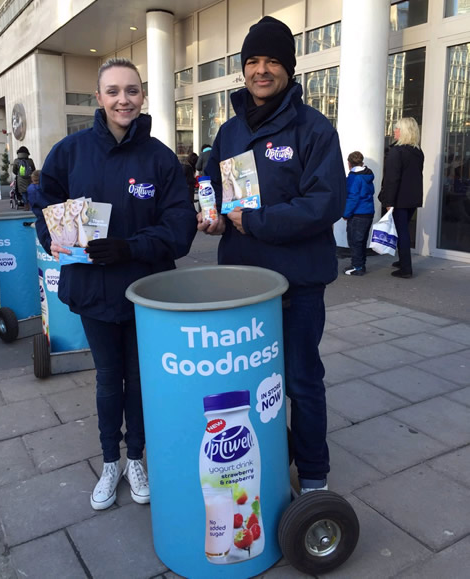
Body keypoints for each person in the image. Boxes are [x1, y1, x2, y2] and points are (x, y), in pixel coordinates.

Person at [32, 57, 197, 510]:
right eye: (113, 91)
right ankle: (110, 461)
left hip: (148, 292)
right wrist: (55, 238)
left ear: (142, 96)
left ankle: (137, 459)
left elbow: (180, 226)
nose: (123, 99)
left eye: (132, 90)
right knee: (108, 379)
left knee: (140, 380)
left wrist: (131, 246)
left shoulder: (161, 158)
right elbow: (43, 196)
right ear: (100, 98)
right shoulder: (71, 151)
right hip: (92, 290)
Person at [197, 16, 346, 494]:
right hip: (242, 285)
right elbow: (218, 195)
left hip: (297, 283)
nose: (262, 70)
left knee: (302, 380)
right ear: (243, 70)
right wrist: (216, 218)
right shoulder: (229, 132)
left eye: (272, 61)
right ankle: (266, 459)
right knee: (251, 384)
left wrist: (257, 221)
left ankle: (315, 475)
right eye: (253, 61)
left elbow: (325, 203)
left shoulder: (314, 129)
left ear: (289, 68)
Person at [379, 117, 424, 278]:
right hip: (412, 198)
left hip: (399, 199)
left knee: (402, 232)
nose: (394, 131)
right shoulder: (417, 152)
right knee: (402, 230)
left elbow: (392, 179)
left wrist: (388, 201)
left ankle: (406, 268)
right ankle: (403, 260)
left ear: (404, 132)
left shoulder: (396, 152)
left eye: (397, 128)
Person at [342, 151, 375, 276]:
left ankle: (357, 266)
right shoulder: (368, 176)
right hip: (368, 212)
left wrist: (345, 214)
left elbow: (352, 197)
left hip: (357, 214)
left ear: (349, 164)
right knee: (362, 241)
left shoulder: (354, 177)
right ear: (362, 162)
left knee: (354, 241)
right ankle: (361, 265)